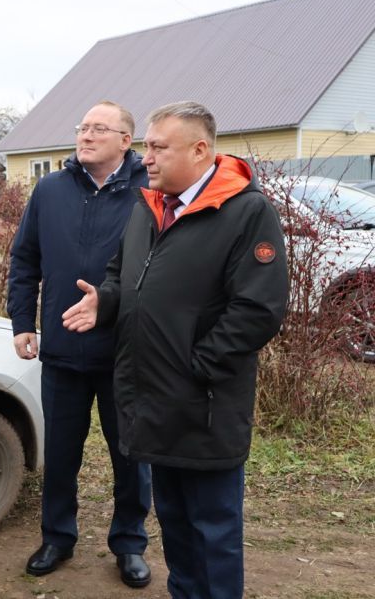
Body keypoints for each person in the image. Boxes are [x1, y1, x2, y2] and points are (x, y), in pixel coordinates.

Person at [63, 101, 288, 598]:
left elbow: (258, 309)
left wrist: (196, 368)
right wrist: (107, 300)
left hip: (205, 407)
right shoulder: (150, 209)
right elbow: (123, 275)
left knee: (214, 532)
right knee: (177, 527)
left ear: (200, 149)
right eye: (146, 146)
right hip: (154, 402)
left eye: (159, 147)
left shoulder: (247, 212)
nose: (147, 158)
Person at [8, 101, 153, 588]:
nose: (86, 135)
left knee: (131, 456)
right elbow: (25, 259)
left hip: (125, 352)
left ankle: (130, 543)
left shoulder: (148, 192)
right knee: (61, 453)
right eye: (82, 128)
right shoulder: (49, 190)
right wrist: (22, 321)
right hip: (64, 352)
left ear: (125, 141)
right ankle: (57, 537)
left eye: (99, 129)